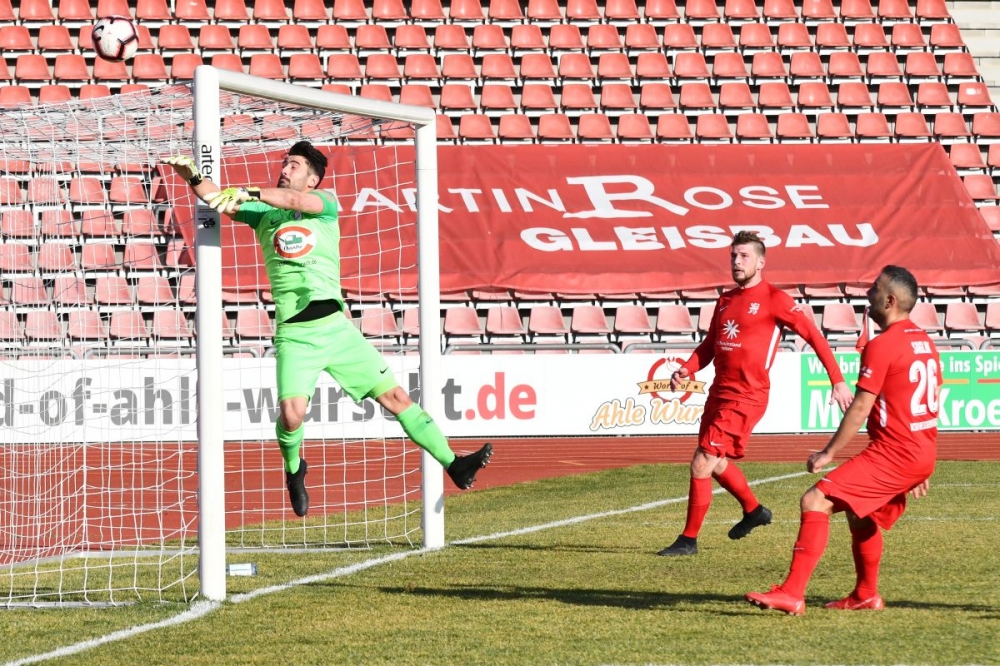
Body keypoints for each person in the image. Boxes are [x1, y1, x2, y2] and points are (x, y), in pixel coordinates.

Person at [163, 142, 492, 517]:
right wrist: (193, 177)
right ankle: (293, 469)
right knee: (292, 414)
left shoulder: (325, 204)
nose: (286, 169)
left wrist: (251, 189)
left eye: (295, 165)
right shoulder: (262, 213)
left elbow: (296, 201)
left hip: (337, 329)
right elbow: (219, 199)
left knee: (397, 399)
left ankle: (454, 463)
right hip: (295, 334)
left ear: (313, 179)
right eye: (285, 163)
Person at [745, 265, 940, 615]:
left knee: (815, 500)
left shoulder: (883, 345)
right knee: (859, 513)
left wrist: (827, 452)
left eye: (874, 290)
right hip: (917, 451)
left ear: (890, 300)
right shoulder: (925, 341)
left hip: (896, 453)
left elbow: (860, 406)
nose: (868, 295)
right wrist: (921, 465)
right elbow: (928, 403)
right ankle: (866, 594)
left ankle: (792, 593)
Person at [659, 231, 853, 556]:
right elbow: (710, 346)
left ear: (761, 262)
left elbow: (814, 336)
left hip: (747, 396)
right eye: (733, 256)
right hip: (720, 392)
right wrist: (688, 368)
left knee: (702, 461)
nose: (736, 262)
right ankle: (754, 511)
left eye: (744, 256)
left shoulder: (775, 298)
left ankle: (688, 541)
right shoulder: (725, 300)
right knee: (716, 461)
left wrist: (838, 380)